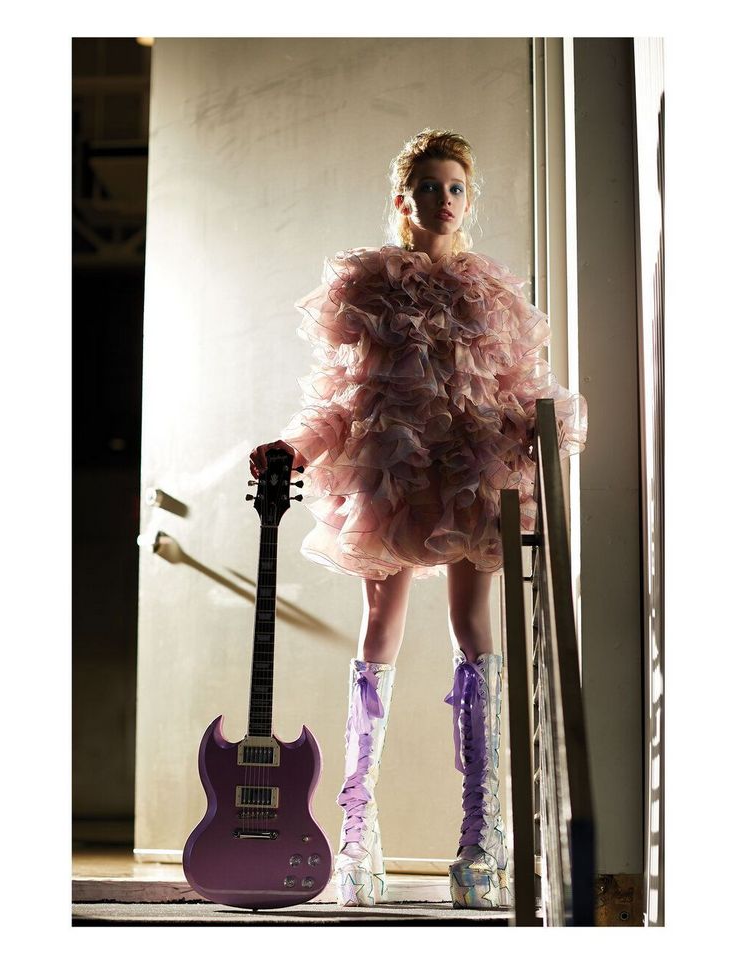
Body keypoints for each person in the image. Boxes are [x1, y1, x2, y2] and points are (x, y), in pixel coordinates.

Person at [249, 128, 588, 910]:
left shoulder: (489, 290)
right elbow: (342, 398)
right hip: (394, 474)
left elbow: (515, 385)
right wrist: (295, 448)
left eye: (456, 187)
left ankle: (482, 839)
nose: (444, 199)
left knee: (475, 630)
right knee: (380, 629)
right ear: (404, 199)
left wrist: (539, 429)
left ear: (469, 198)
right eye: (430, 187)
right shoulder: (369, 284)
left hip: (469, 474)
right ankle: (357, 834)